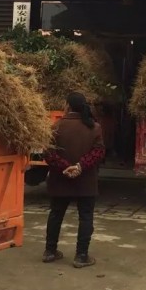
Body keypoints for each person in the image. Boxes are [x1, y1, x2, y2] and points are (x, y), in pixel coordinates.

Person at [42, 92, 106, 268]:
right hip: (85, 181)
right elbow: (98, 152)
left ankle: (50, 251)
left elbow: (48, 153)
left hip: (60, 179)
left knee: (56, 214)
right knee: (85, 217)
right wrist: (79, 167)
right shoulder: (94, 127)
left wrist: (64, 167)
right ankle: (81, 256)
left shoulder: (56, 127)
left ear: (67, 106)